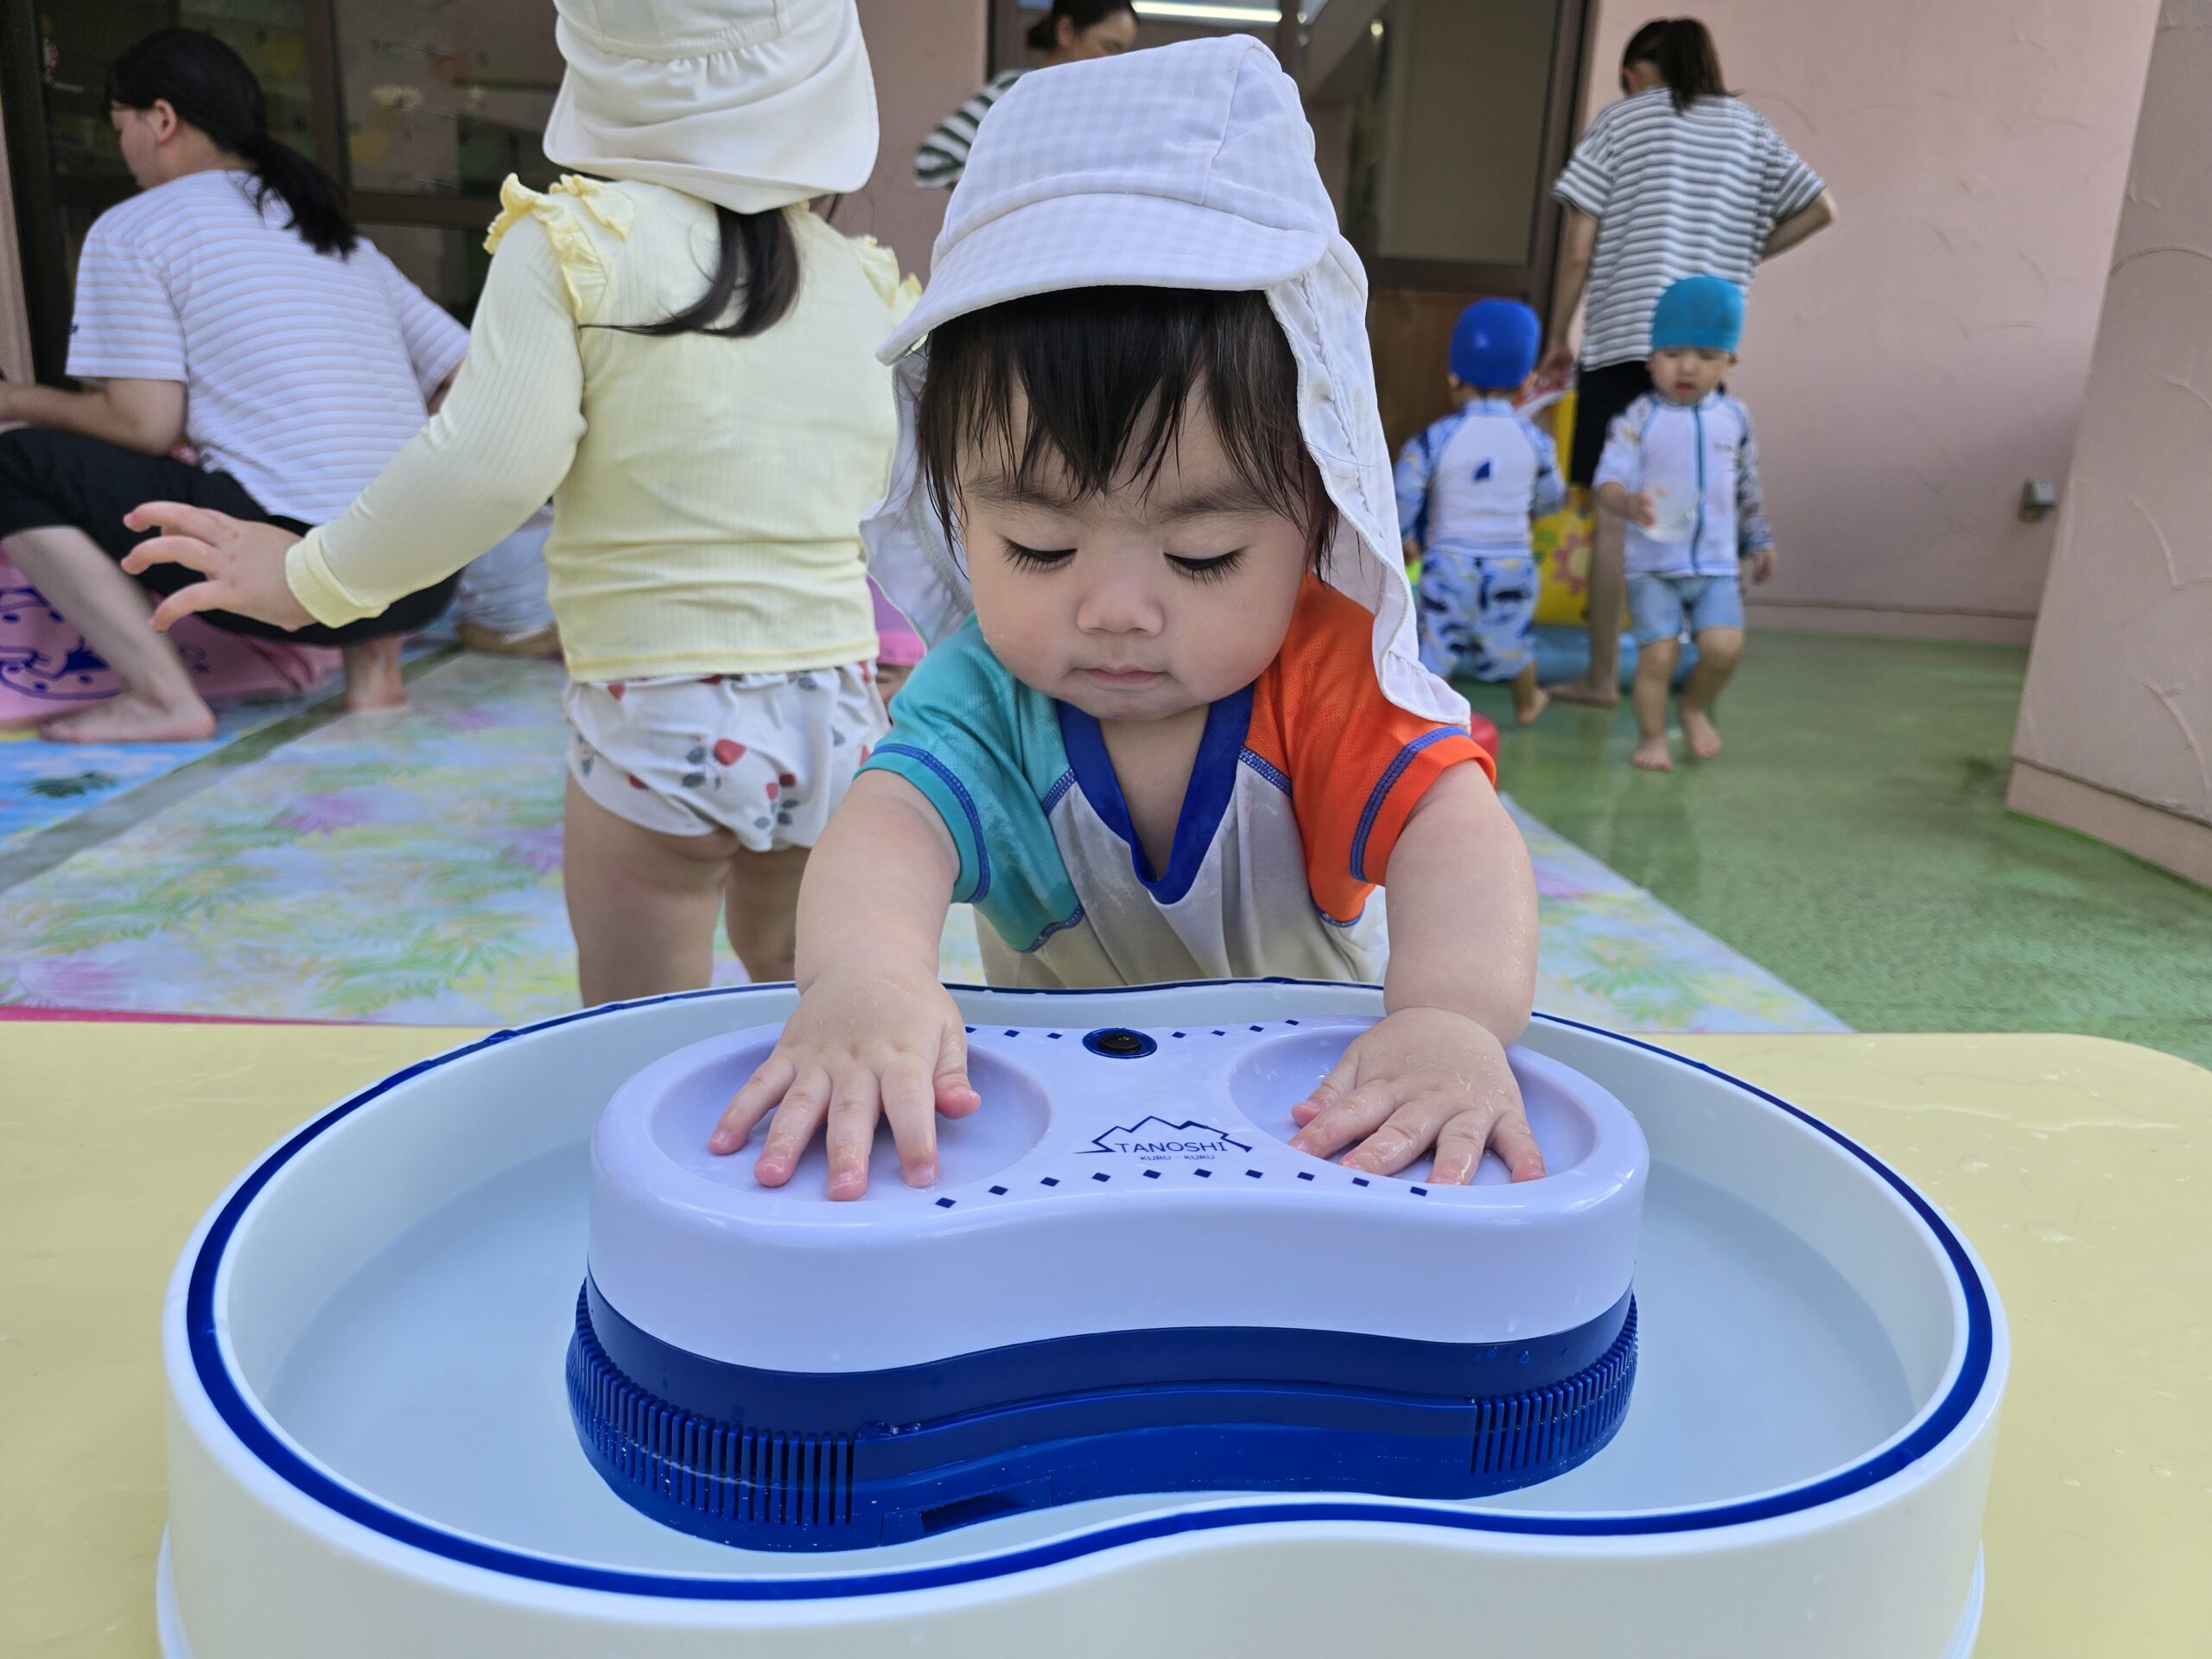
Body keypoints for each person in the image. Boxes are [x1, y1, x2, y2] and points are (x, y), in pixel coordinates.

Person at [708, 37, 1544, 1203]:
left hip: (1305, 1124)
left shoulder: (1327, 673)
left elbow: (1454, 827)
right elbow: (888, 829)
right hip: (1056, 1141)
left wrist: (1449, 1016)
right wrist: (864, 979)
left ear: (1319, 514)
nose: (1112, 611)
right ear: (954, 510)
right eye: (1038, 547)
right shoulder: (983, 696)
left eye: (1203, 556)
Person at [122, 0, 909, 1004]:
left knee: (634, 1027)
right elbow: (896, 498)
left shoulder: (577, 241)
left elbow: (487, 466)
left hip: (661, 707)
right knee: (815, 1006)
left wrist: (309, 575)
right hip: (835, 710)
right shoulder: (863, 282)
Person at [0, 28, 467, 741]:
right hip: (421, 578)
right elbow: (469, 372)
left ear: (161, 120)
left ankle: (162, 699)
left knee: (12, 463)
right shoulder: (335, 236)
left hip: (278, 582)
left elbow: (145, 425)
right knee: (355, 463)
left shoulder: (137, 227)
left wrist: (14, 401)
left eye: (121, 129)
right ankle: (376, 679)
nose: (125, 151)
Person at [1540, 16, 1832, 709]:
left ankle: (1602, 678)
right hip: (1704, 346)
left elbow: (1578, 250)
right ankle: (1696, 648)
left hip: (1624, 339)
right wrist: (1740, 261)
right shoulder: (1750, 130)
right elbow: (1818, 209)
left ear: (1636, 72)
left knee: (1617, 510)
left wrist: (1557, 335)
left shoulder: (1622, 122)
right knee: (1696, 494)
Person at [1592, 276, 1775, 772]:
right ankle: (1653, 736)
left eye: (1706, 356)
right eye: (1673, 354)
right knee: (1657, 657)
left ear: (1729, 363)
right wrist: (1626, 501)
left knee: (1724, 648)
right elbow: (1607, 480)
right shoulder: (1636, 419)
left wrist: (1759, 539)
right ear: (1651, 360)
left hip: (1715, 564)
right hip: (1652, 565)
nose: (1688, 367)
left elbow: (1748, 485)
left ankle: (1693, 705)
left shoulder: (1734, 418)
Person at [1395, 298, 1564, 728]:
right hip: (1512, 563)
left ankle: (1427, 724)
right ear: (1527, 380)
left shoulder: (1435, 438)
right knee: (1512, 644)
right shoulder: (1537, 441)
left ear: (1453, 375)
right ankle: (1527, 704)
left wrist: (1405, 538)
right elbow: (1552, 498)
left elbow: (1403, 491)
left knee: (1437, 648)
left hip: (1449, 563)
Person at [912, 0, 1137, 190]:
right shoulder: (1017, 90)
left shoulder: (1103, 106)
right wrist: (1001, 196)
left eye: (1124, 52)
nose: (1118, 61)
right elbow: (935, 156)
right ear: (1066, 31)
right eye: (1110, 47)